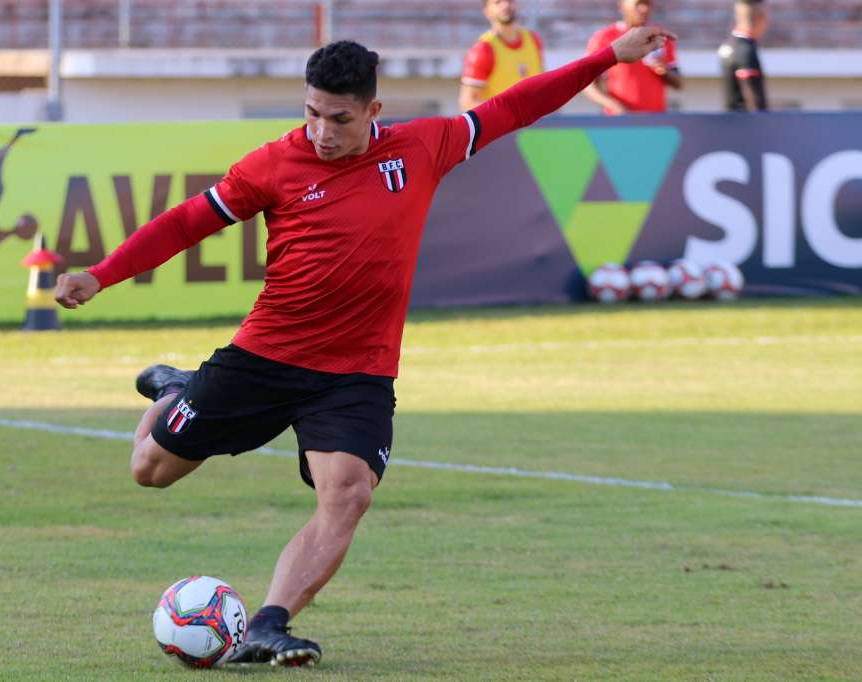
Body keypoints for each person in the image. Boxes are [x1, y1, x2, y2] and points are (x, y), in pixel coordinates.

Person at [54, 27, 674, 668]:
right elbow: (187, 221)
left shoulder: (423, 146)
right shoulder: (272, 164)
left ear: (374, 112)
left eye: (339, 118)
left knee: (348, 492)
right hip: (265, 357)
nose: (322, 131)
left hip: (355, 373)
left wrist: (606, 57)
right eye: (312, 113)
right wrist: (101, 274)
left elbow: (515, 106)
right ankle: (178, 389)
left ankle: (268, 623)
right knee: (150, 471)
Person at [583, 0, 681, 114]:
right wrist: (615, 106)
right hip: (621, 121)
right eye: (638, 3)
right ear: (622, 5)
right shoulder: (604, 37)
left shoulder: (661, 36)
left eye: (648, 4)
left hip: (655, 121)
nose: (644, 9)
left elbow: (678, 83)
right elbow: (588, 85)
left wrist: (665, 71)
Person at [459, 0, 544, 111]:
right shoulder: (483, 49)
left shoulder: (533, 40)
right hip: (503, 126)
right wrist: (507, 115)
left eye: (510, 0)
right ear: (487, 12)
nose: (506, 5)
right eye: (498, 2)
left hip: (534, 125)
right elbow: (467, 102)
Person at [719, 0, 769, 111]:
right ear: (760, 18)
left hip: (733, 122)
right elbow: (754, 101)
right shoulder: (745, 50)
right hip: (747, 125)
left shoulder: (729, 45)